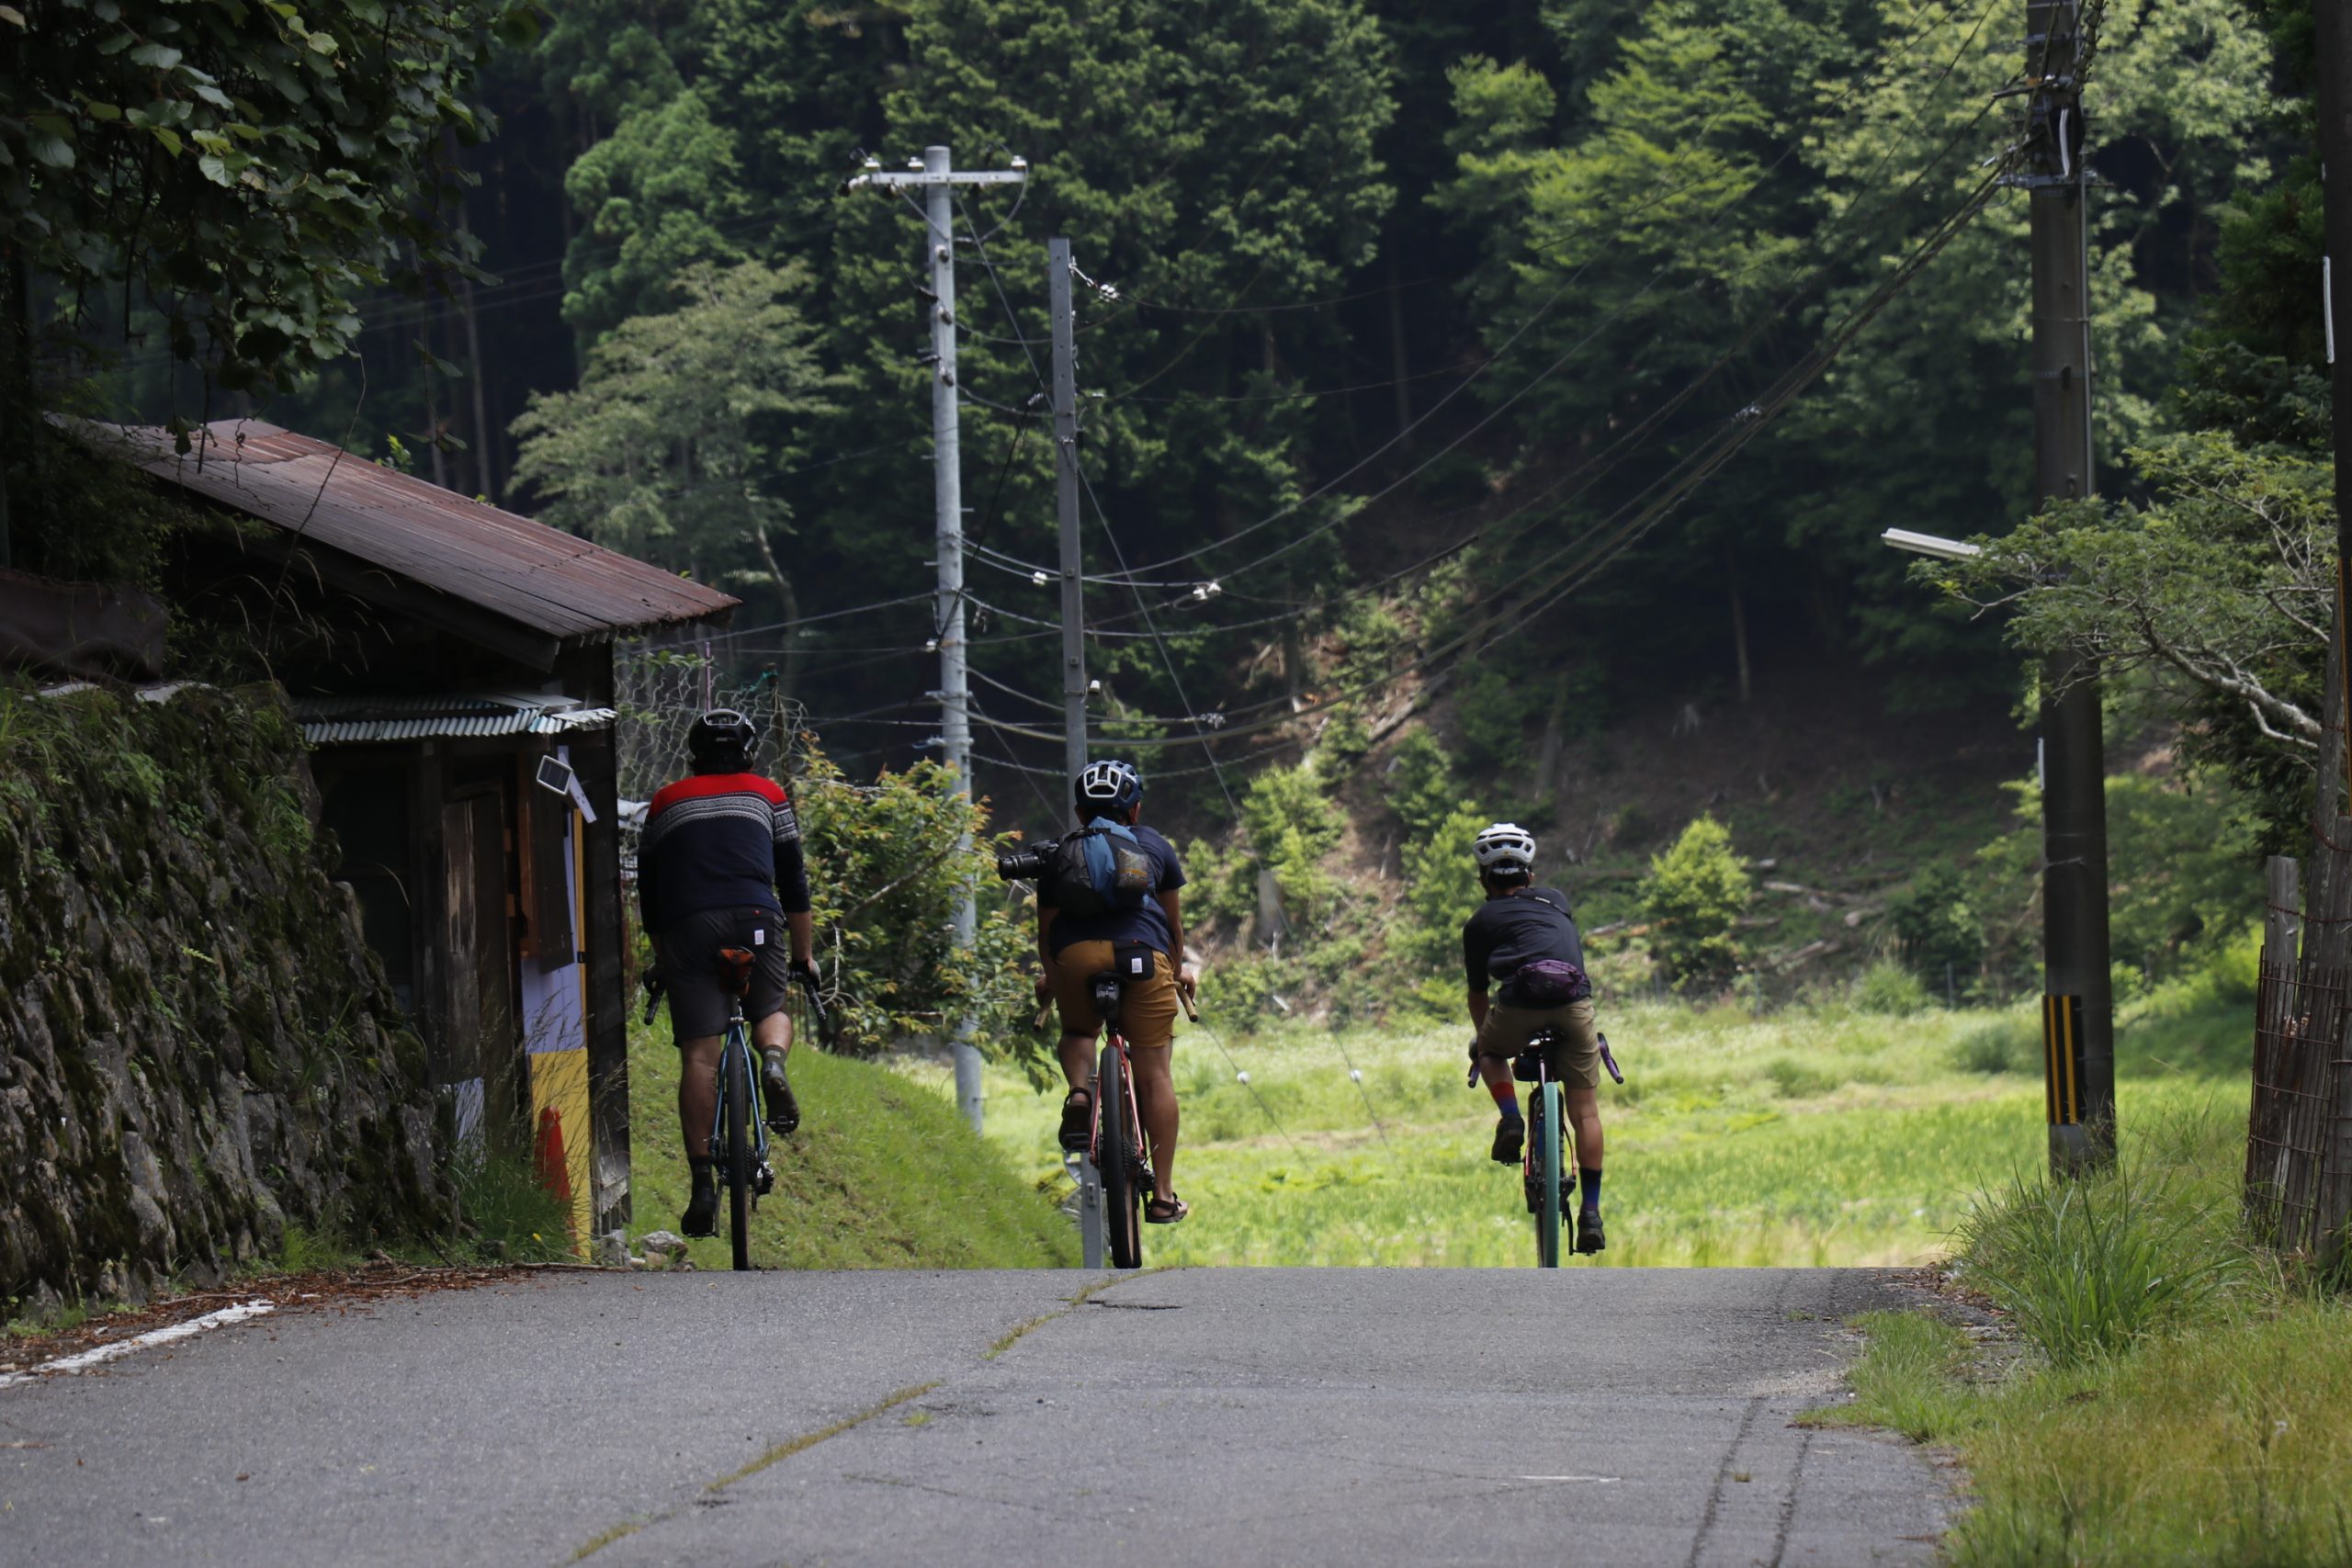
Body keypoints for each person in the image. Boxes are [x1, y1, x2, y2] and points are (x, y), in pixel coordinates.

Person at [638, 708, 816, 1238]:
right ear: (748, 752)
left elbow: (650, 891)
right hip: (756, 916)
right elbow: (794, 882)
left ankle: (701, 1184)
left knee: (699, 1054)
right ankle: (773, 1062)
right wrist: (803, 956)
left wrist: (663, 954)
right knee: (770, 1007)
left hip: (687, 925)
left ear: (694, 754)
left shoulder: (665, 802)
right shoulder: (769, 794)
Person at [1039, 759, 1198, 1224]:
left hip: (1075, 957)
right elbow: (1172, 926)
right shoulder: (1154, 846)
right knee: (1155, 1075)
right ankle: (1163, 1195)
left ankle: (1079, 1093)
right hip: (1143, 957)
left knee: (1079, 1032)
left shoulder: (1060, 853)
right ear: (1135, 810)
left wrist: (1052, 978)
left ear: (1079, 812)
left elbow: (1047, 935)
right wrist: (1178, 971)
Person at [1462, 821, 1609, 1254]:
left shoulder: (1479, 922)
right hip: (1573, 1003)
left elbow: (1477, 994)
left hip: (1518, 1003)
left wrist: (1485, 1041)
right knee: (1586, 1112)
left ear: (1483, 879)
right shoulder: (1556, 900)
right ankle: (1591, 1213)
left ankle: (1511, 1118)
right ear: (1530, 875)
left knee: (1488, 1050)